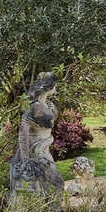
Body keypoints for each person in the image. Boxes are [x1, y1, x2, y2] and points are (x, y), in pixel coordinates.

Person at [7, 72, 64, 204]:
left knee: (53, 185)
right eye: (55, 85)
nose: (56, 88)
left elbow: (52, 117)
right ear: (50, 86)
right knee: (56, 183)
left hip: (43, 150)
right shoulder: (36, 107)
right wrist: (26, 159)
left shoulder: (46, 105)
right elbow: (23, 134)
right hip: (36, 152)